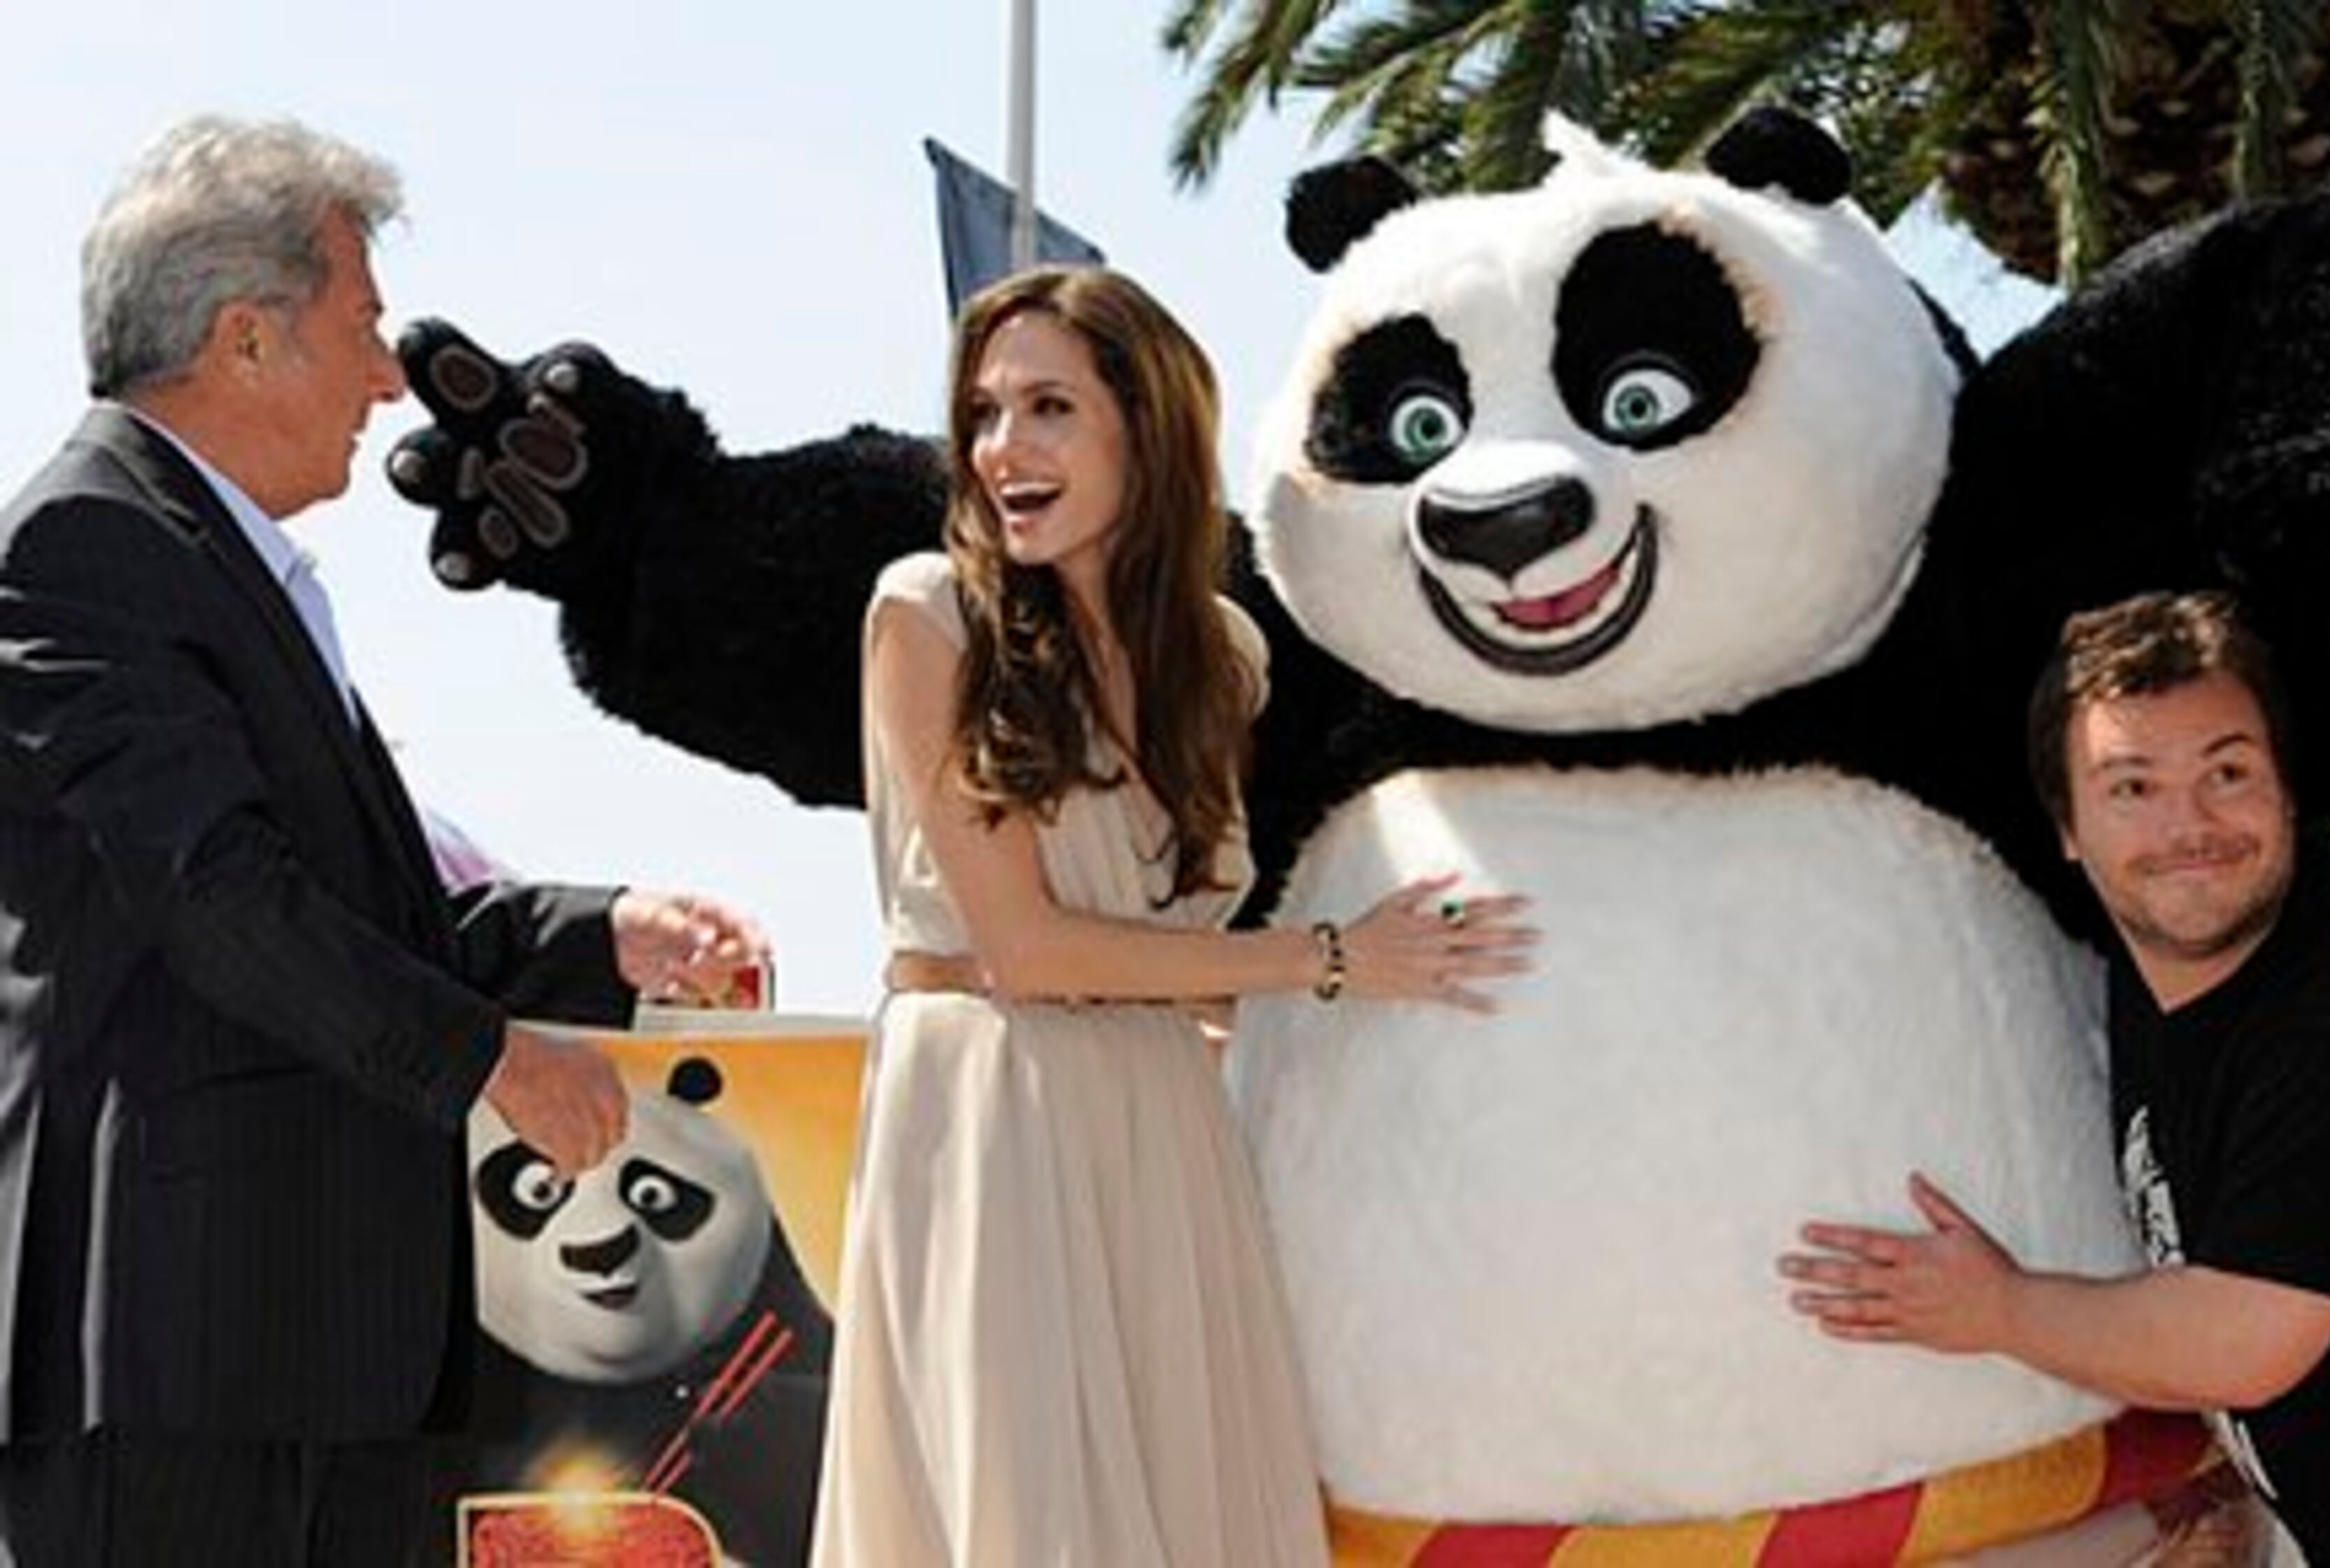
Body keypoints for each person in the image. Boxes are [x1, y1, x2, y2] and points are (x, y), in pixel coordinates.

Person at [0, 115, 768, 1568]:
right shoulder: (83, 548)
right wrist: (492, 1058)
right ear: (243, 339)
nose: (381, 378)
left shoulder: (219, 561)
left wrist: (599, 935)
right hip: (187, 1362)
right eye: (360, 328)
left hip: (317, 1359)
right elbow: (224, 902)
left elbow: (361, 915)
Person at [810, 264, 1537, 1567]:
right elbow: (1028, 954)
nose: (1000, 453)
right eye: (983, 414)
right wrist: (1333, 963)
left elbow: (1188, 964)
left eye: (1047, 410)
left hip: (1161, 1123)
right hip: (993, 1119)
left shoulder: (1222, 657)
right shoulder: (928, 614)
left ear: (1144, 428)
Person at [1775, 588, 2330, 1563]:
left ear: (2287, 794)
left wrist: (1995, 1307)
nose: (2190, 825)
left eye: (2228, 772)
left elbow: (2244, 1337)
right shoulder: (2150, 953)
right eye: (2133, 786)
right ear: (2069, 829)